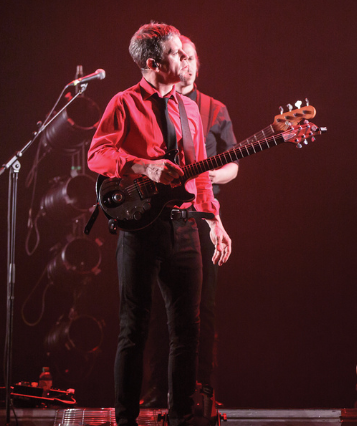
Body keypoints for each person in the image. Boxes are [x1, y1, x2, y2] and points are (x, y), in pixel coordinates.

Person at [87, 22, 232, 426]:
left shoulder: (189, 109)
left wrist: (213, 221)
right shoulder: (123, 102)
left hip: (184, 227)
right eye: (175, 54)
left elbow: (200, 172)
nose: (184, 59)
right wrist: (143, 166)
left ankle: (182, 417)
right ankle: (126, 420)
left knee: (188, 329)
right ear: (153, 63)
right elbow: (97, 156)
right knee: (134, 328)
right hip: (139, 229)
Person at [140, 35, 239, 408]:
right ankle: (153, 397)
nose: (187, 62)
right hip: (157, 215)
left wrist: (206, 178)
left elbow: (232, 164)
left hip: (200, 213)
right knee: (152, 308)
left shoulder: (213, 108)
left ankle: (200, 392)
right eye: (180, 55)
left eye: (191, 56)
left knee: (201, 308)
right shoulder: (151, 103)